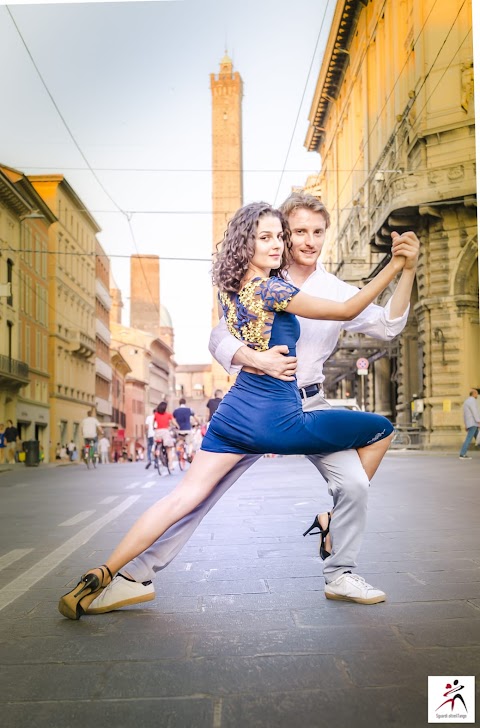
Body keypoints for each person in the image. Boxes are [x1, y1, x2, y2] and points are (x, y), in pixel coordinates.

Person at [58, 200, 413, 621]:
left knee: (193, 496)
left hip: (254, 409)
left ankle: (106, 573)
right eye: (290, 232)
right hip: (279, 413)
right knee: (378, 429)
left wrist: (407, 270)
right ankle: (135, 575)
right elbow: (220, 338)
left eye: (312, 233)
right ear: (261, 239)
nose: (299, 241)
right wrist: (255, 357)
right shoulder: (273, 283)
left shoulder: (258, 285)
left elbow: (388, 324)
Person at [153, 402, 177, 470]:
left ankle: (158, 454)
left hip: (157, 432)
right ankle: (171, 465)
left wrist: (154, 428)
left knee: (158, 445)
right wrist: (178, 426)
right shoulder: (168, 415)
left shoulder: (156, 414)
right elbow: (173, 422)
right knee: (169, 449)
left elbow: (153, 423)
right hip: (165, 432)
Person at [459, 388, 480, 459]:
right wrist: (478, 420)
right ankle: (462, 454)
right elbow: (475, 412)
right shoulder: (472, 401)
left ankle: (462, 454)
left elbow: (465, 414)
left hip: (470, 423)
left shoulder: (466, 401)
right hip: (473, 423)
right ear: (473, 394)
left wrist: (466, 424)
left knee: (478, 438)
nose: (477, 395)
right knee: (469, 438)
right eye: (477, 393)